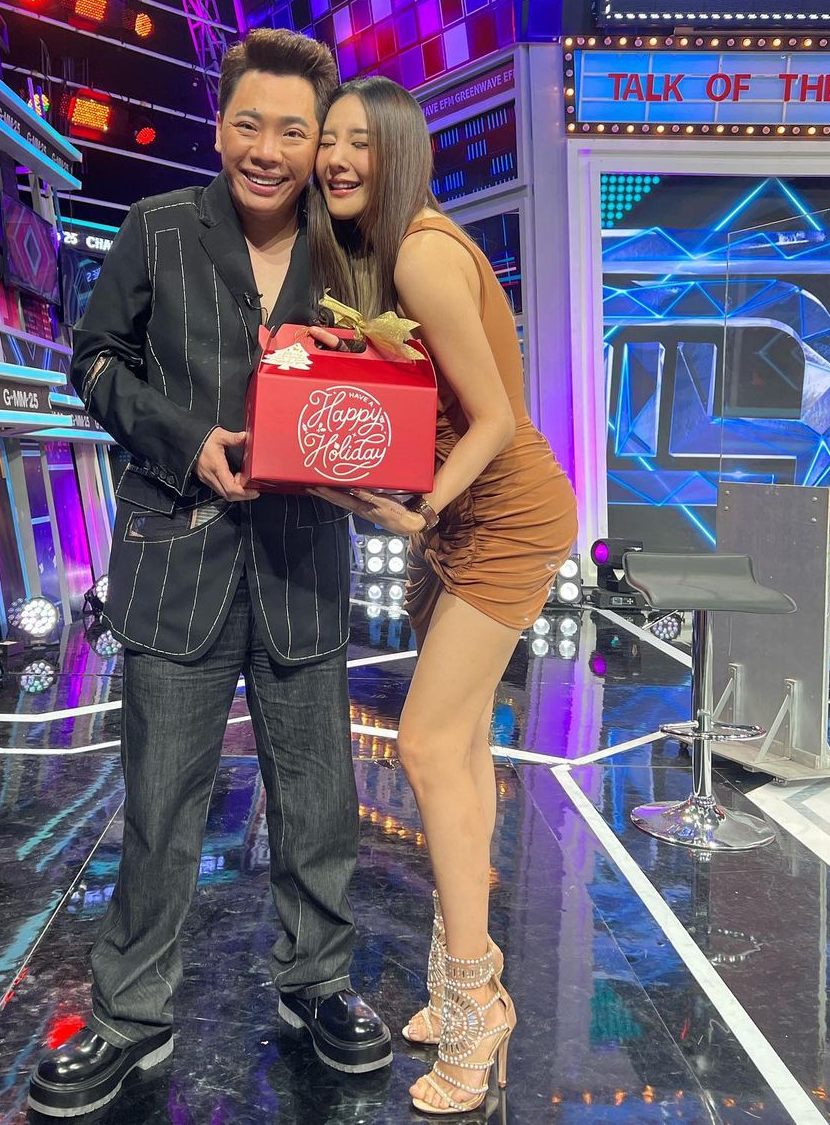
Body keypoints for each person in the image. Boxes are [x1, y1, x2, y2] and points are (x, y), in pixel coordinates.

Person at [28, 29, 391, 1120]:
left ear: (319, 142)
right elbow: (95, 361)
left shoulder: (350, 247)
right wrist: (188, 440)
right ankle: (130, 1016)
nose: (268, 151)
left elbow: (386, 374)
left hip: (303, 562)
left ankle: (316, 982)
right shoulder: (157, 228)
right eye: (248, 125)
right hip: (176, 555)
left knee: (319, 800)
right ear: (220, 125)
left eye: (292, 131)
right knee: (158, 804)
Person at [309, 77, 578, 1117]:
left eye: (358, 143)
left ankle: (476, 1008)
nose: (337, 159)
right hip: (460, 518)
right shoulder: (385, 252)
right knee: (458, 750)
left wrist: (419, 505)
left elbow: (499, 417)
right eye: (329, 141)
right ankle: (467, 972)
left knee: (424, 745)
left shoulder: (420, 252)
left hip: (501, 515)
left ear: (399, 152)